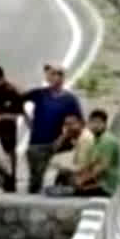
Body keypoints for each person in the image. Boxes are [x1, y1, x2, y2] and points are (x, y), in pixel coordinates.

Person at [22, 62, 82, 193]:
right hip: (36, 142)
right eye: (51, 74)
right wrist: (27, 119)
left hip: (57, 144)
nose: (53, 78)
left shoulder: (69, 100)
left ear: (62, 78)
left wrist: (65, 136)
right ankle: (32, 200)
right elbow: (17, 100)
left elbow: (79, 123)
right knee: (35, 179)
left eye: (57, 74)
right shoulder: (39, 94)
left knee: (54, 176)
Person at [70, 109, 120, 197]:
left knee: (76, 191)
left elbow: (102, 166)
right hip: (99, 180)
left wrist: (83, 180)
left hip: (107, 185)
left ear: (104, 124)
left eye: (98, 123)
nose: (95, 125)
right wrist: (78, 173)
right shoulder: (96, 140)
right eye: (92, 122)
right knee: (68, 178)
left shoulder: (107, 140)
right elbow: (93, 163)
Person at [41, 112, 94, 190]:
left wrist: (65, 167)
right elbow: (54, 148)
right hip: (79, 169)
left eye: (72, 124)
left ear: (81, 124)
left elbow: (83, 164)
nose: (69, 127)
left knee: (61, 171)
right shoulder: (73, 136)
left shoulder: (86, 138)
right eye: (66, 124)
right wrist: (64, 136)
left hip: (87, 172)